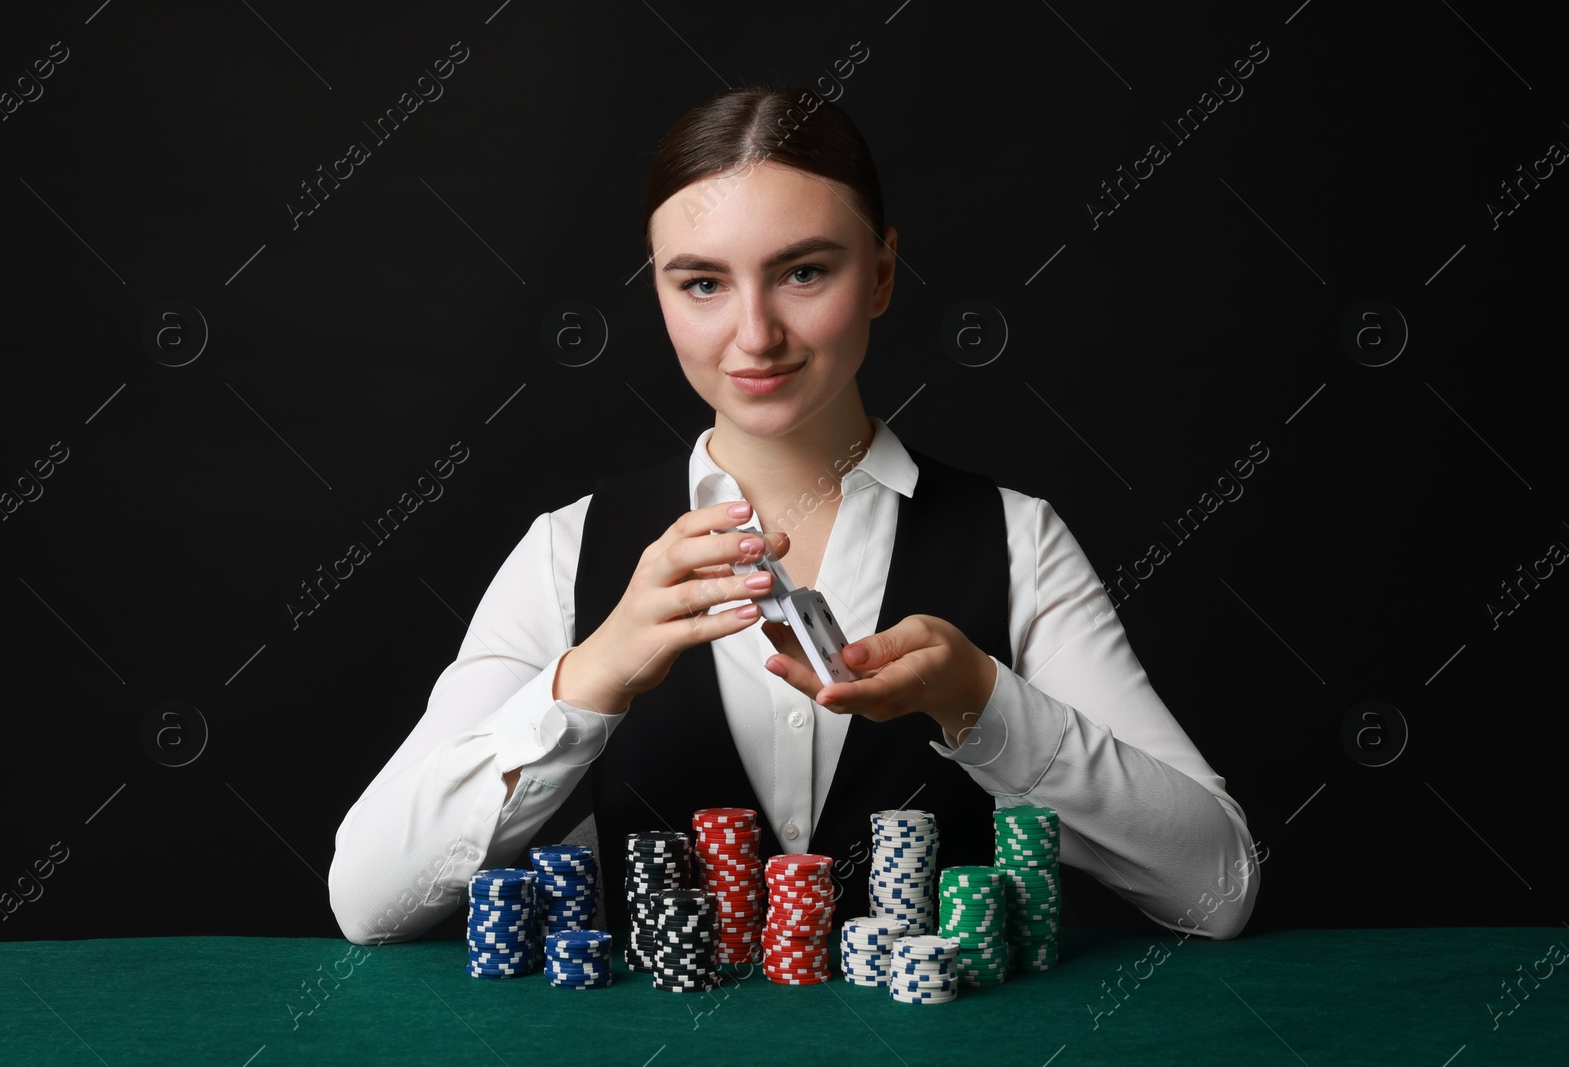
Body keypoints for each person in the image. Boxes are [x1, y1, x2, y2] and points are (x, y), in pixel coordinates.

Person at [328, 86, 1260, 947]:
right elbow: (367, 900)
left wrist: (984, 702)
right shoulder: (565, 551)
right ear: (658, 292)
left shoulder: (1017, 536)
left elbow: (1217, 888)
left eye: (803, 273)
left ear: (884, 274)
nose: (755, 333)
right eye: (702, 283)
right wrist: (589, 676)